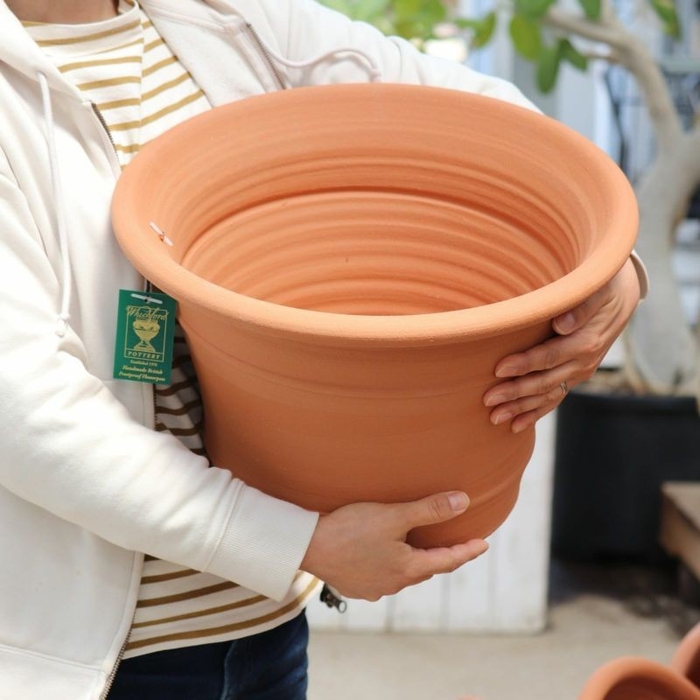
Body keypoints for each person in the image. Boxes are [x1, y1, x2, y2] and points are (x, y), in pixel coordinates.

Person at [0, 0, 645, 698]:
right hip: (93, 663)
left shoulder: (224, 17)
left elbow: (496, 123)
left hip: (263, 624)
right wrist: (296, 542)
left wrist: (616, 274)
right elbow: (27, 410)